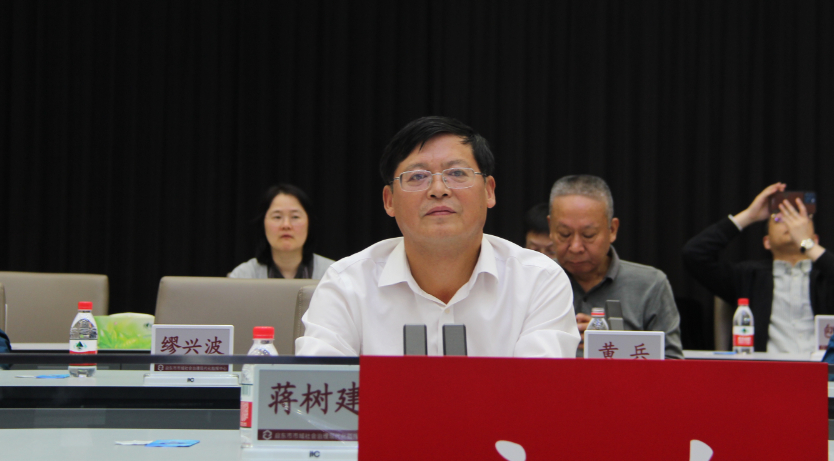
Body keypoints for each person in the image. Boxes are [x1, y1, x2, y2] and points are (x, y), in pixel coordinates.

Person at [296, 116, 580, 357]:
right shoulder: (347, 283)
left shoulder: (538, 280)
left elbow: (540, 392)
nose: (438, 189)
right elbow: (321, 391)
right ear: (389, 201)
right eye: (417, 177)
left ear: (489, 191)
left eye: (457, 173)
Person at [682, 183, 834, 354]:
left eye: (798, 220)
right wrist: (749, 216)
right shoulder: (749, 276)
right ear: (766, 242)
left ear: (816, 240)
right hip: (766, 366)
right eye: (779, 219)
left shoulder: (826, 276)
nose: (790, 224)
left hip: (824, 368)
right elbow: (694, 254)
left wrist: (807, 244)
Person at [548, 175, 684, 359]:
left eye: (588, 235)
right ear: (550, 228)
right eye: (564, 234)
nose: (575, 247)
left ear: (612, 229)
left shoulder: (650, 285)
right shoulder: (537, 280)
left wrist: (612, 344)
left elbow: (672, 364)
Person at [229, 184, 335, 280]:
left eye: (295, 217)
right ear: (263, 223)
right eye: (277, 217)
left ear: (309, 223)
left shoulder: (332, 274)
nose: (286, 225)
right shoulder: (242, 276)